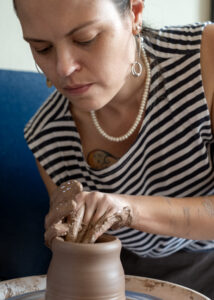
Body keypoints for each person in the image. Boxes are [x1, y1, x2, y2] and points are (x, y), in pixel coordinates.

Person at [14, 0, 214, 297]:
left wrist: (128, 208)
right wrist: (71, 234)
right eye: (42, 48)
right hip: (127, 275)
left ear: (134, 14)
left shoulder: (204, 59)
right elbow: (87, 257)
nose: (63, 67)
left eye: (85, 39)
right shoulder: (48, 136)